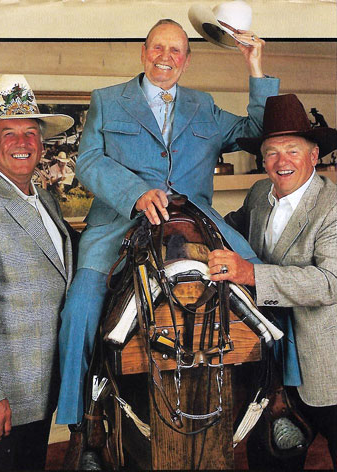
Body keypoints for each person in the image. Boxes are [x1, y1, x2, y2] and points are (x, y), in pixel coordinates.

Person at [57, 18, 280, 425]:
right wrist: (134, 195)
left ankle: (283, 398)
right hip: (119, 226)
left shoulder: (204, 106)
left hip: (198, 221)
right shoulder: (106, 100)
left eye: (175, 50)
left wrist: (255, 65)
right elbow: (87, 160)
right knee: (82, 307)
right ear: (143, 53)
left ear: (187, 60)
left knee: (266, 283)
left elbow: (258, 131)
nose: (165, 57)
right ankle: (80, 419)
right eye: (157, 48)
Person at [208, 93, 337, 469]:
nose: (282, 161)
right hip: (271, 365)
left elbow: (329, 282)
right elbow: (233, 229)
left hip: (326, 364)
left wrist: (250, 273)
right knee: (268, 459)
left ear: (314, 155)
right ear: (262, 160)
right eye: (272, 152)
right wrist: (189, 218)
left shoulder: (333, 206)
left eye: (293, 150)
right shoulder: (259, 195)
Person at [0, 74, 75, 471]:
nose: (22, 142)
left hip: (36, 393)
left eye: (30, 132)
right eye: (8, 132)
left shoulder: (43, 199)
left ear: (42, 144)